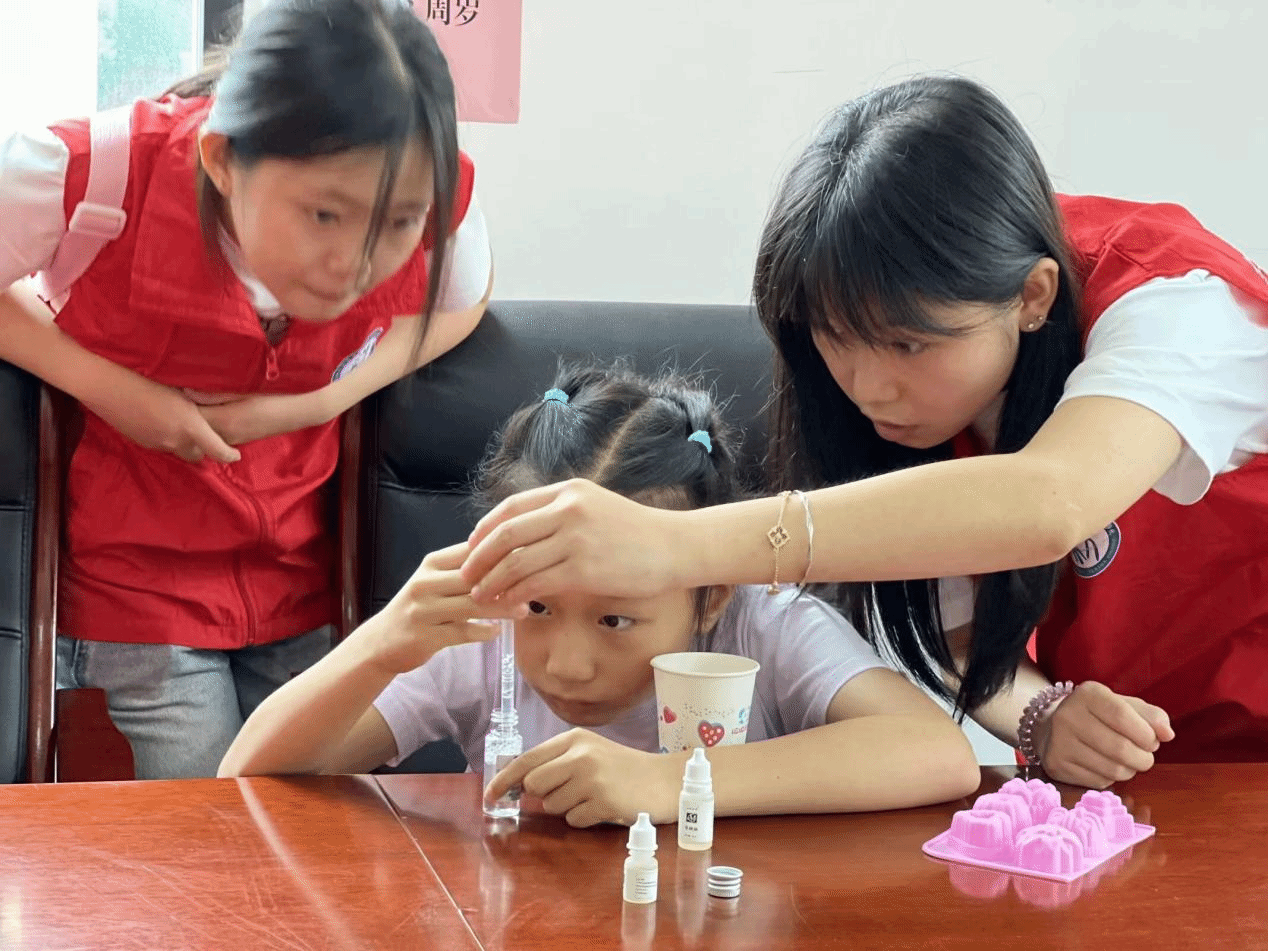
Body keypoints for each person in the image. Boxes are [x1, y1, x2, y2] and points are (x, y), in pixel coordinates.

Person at [461, 75, 1268, 789]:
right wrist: (1042, 715)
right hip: (1157, 784)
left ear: (1033, 296)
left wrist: (676, 546)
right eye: (836, 337)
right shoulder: (908, 407)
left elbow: (1050, 502)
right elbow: (962, 639)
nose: (867, 386)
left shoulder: (1178, 304)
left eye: (908, 345)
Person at [0, 0, 495, 778]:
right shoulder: (87, 174)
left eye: (399, 223)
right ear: (223, 160)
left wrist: (319, 401)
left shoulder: (433, 193)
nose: (355, 263)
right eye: (324, 214)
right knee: (214, 824)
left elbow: (465, 300)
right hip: (141, 587)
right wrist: (113, 390)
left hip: (306, 575)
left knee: (311, 817)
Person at [219, 365, 980, 826]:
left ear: (710, 591)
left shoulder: (764, 625)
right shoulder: (484, 629)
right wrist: (384, 642)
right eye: (540, 608)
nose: (568, 664)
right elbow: (246, 777)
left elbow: (938, 756)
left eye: (615, 617)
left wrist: (667, 783)